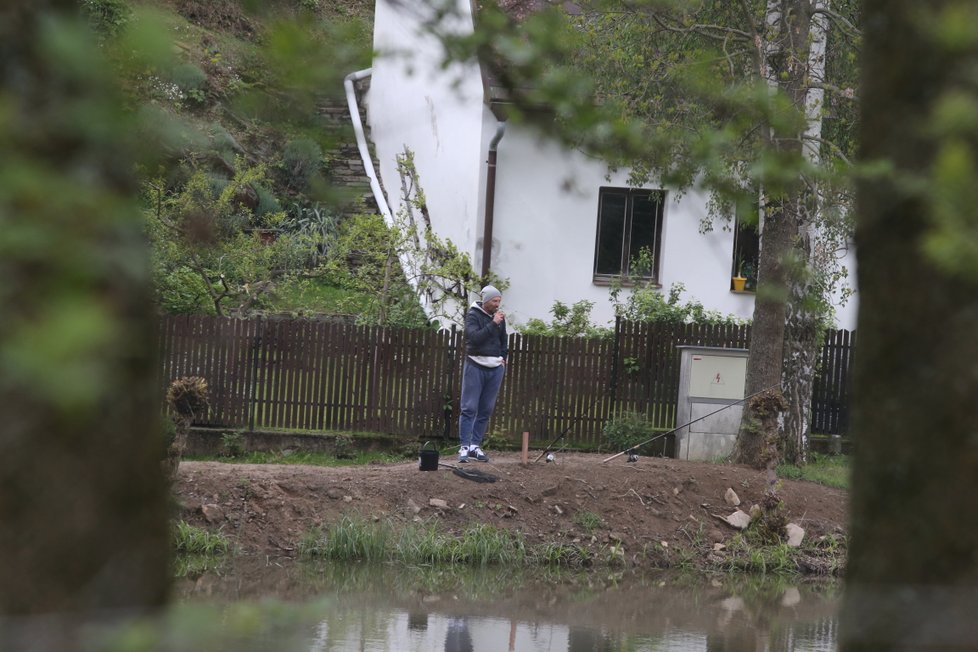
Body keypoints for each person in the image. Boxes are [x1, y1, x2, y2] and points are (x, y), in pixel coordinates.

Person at [458, 285, 507, 463]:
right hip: (476, 365)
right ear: (486, 301)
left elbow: (504, 339)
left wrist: (504, 357)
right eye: (495, 301)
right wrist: (493, 323)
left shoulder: (499, 318)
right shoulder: (473, 316)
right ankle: (464, 446)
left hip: (495, 368)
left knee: (486, 409)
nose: (497, 304)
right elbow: (474, 338)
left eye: (499, 301)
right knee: (469, 407)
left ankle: (475, 446)